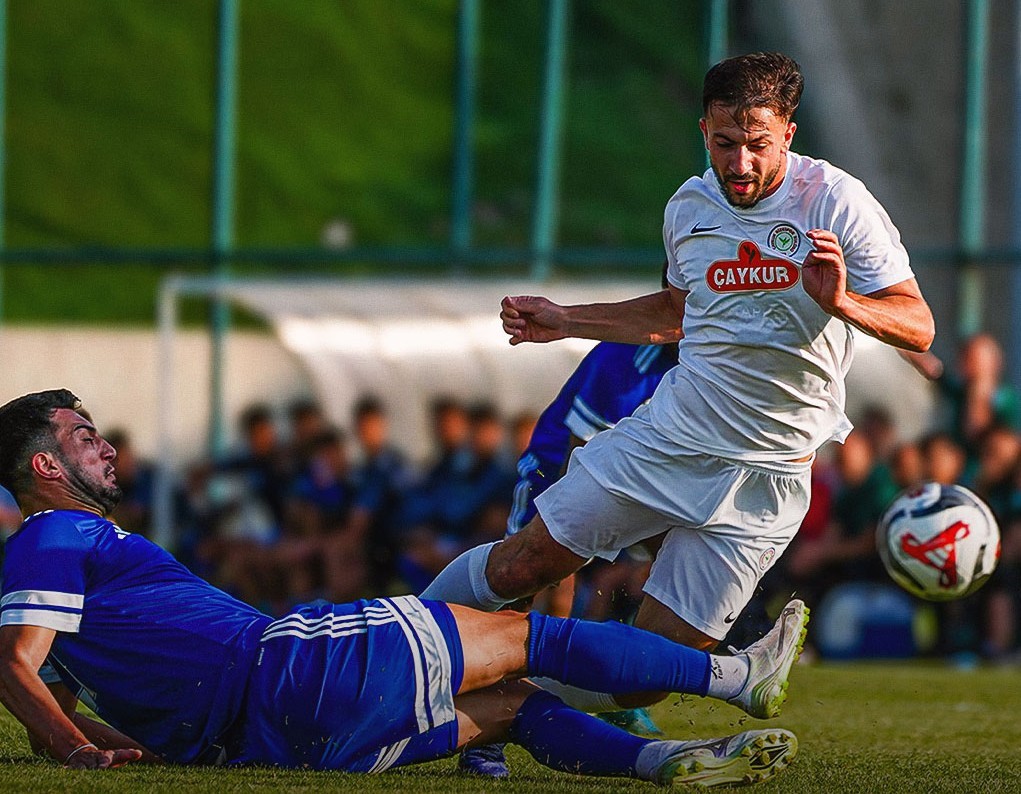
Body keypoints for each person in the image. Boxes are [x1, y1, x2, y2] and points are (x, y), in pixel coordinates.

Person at [423, 52, 932, 716]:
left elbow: (917, 325)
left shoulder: (836, 203)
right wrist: (566, 321)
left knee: (643, 680)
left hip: (768, 482)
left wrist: (844, 305)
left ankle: (500, 700)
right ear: (702, 132)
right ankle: (397, 650)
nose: (739, 163)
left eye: (757, 145)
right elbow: (676, 311)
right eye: (724, 143)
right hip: (668, 441)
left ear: (787, 134)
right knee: (521, 566)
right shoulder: (687, 208)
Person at [0, 389, 805, 788]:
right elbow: (14, 664)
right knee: (535, 640)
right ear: (44, 468)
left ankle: (665, 763)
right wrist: (78, 751)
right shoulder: (56, 532)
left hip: (274, 742)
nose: (102, 446)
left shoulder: (59, 567)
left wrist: (78, 738)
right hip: (287, 667)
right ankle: (735, 678)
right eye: (82, 435)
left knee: (514, 711)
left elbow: (46, 695)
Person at [461, 332, 680, 777]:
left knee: (666, 578)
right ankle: (481, 730)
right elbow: (575, 446)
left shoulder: (709, 357)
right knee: (533, 589)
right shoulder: (624, 358)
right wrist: (563, 541)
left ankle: (597, 687)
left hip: (635, 483)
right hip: (560, 471)